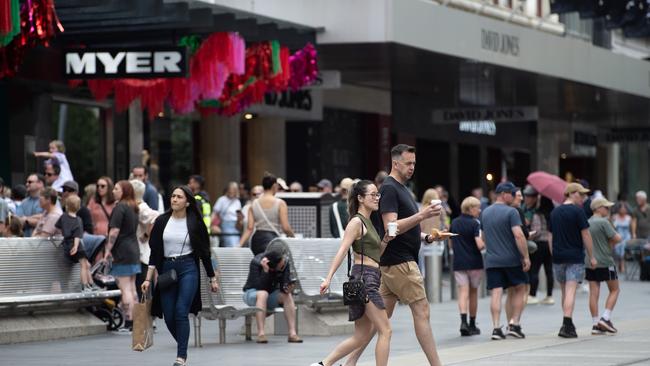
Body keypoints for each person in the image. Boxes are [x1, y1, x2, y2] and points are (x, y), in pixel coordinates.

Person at [348, 144, 443, 366]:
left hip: (391, 263)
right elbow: (391, 226)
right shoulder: (390, 188)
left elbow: (402, 227)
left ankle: (350, 362)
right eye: (408, 163)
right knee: (422, 311)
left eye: (414, 164)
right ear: (396, 163)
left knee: (379, 322)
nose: (412, 168)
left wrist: (427, 238)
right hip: (401, 263)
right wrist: (423, 214)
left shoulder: (401, 188)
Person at [313, 180, 394, 366]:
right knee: (385, 330)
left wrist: (387, 240)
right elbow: (342, 250)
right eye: (373, 194)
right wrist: (328, 278)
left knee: (361, 336)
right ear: (360, 198)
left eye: (377, 194)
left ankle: (323, 364)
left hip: (367, 277)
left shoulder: (368, 222)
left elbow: (375, 255)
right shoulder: (356, 222)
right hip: (365, 279)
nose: (377, 198)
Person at [142, 186, 218, 366]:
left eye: (179, 197)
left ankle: (181, 356)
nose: (174, 199)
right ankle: (183, 344)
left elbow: (204, 252)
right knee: (168, 316)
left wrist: (212, 277)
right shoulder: (161, 221)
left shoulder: (195, 223)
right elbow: (154, 252)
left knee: (181, 311)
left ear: (188, 202)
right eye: (173, 196)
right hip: (167, 269)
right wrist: (147, 278)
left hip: (188, 267)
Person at [481, 182, 530, 340]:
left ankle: (496, 328)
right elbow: (519, 235)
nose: (514, 196)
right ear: (503, 194)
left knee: (496, 292)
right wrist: (526, 256)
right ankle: (514, 324)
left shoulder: (485, 212)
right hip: (511, 259)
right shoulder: (512, 212)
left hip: (492, 260)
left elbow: (483, 238)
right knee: (519, 288)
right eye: (511, 193)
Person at [549, 182, 597, 338]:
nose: (583, 198)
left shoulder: (554, 212)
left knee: (564, 291)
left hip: (558, 256)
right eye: (581, 194)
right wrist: (592, 256)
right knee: (571, 290)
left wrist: (553, 253)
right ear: (572, 193)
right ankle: (567, 324)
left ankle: (566, 322)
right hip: (574, 256)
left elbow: (551, 236)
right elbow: (586, 235)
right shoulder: (578, 212)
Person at [243, 246, 302, 344]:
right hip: (252, 293)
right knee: (263, 293)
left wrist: (288, 288)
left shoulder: (284, 263)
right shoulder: (256, 263)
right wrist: (265, 271)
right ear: (274, 263)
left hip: (269, 294)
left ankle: (292, 333)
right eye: (281, 262)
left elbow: (284, 284)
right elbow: (259, 286)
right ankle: (261, 334)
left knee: (286, 296)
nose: (284, 262)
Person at [103, 180, 141, 332]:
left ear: (124, 191)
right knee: (132, 289)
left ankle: (129, 322)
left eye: (116, 189)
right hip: (133, 250)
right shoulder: (134, 207)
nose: (113, 191)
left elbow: (114, 231)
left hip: (122, 252)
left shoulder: (120, 207)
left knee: (125, 289)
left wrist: (107, 251)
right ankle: (137, 320)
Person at [450, 196, 485, 336]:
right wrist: (485, 243)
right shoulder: (475, 223)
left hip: (459, 262)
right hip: (474, 263)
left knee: (463, 292)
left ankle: (463, 322)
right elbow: (479, 244)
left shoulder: (454, 222)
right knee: (473, 293)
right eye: (477, 207)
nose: (480, 210)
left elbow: (451, 242)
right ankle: (472, 324)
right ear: (470, 209)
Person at [586, 197, 621, 335]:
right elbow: (618, 238)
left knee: (594, 293)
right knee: (615, 290)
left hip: (590, 261)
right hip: (605, 261)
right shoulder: (604, 222)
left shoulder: (587, 222)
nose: (608, 209)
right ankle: (605, 318)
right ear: (599, 208)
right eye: (606, 207)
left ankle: (595, 324)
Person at [239, 175, 295, 254]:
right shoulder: (280, 203)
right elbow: (285, 227)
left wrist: (239, 244)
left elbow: (249, 228)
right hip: (272, 240)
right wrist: (293, 236)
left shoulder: (254, 203)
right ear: (274, 186)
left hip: (257, 240)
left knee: (259, 263)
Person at [55, 195, 97, 292]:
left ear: (66, 205)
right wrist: (76, 246)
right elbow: (77, 235)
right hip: (76, 245)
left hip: (66, 243)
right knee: (83, 265)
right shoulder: (78, 220)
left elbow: (57, 226)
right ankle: (85, 285)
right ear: (78, 207)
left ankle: (91, 284)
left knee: (86, 264)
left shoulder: (63, 217)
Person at [61, 180, 106, 265]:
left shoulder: (82, 210)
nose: (66, 193)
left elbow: (88, 229)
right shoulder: (62, 210)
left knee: (84, 265)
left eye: (70, 190)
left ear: (76, 193)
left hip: (79, 244)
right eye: (64, 190)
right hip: (68, 246)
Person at [131, 179, 160, 299]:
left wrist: (147, 235)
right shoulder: (136, 206)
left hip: (142, 253)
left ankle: (144, 316)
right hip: (138, 252)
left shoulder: (141, 207)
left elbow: (156, 216)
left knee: (142, 289)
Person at [529, 196, 555, 305]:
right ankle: (549, 296)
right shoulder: (553, 214)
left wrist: (530, 234)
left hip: (539, 244)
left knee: (534, 269)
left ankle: (533, 295)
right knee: (549, 270)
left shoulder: (537, 214)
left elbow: (537, 231)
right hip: (549, 244)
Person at [212, 181, 242, 247]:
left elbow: (239, 215)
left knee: (237, 244)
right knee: (231, 244)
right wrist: (212, 225)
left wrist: (240, 217)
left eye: (234, 190)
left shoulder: (237, 201)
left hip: (236, 226)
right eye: (230, 190)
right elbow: (215, 213)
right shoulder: (222, 199)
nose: (232, 192)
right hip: (225, 224)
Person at [612, 203, 632, 272]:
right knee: (617, 249)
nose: (623, 210)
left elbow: (631, 228)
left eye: (624, 208)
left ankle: (622, 264)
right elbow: (612, 228)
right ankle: (620, 262)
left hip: (626, 236)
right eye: (621, 208)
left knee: (623, 247)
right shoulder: (614, 217)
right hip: (617, 236)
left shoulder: (629, 218)